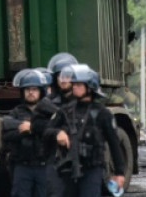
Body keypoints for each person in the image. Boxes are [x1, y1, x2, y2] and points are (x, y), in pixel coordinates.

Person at [52, 64, 126, 197]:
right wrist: (57, 133)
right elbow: (47, 132)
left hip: (92, 168)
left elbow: (114, 143)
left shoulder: (102, 113)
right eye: (74, 84)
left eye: (79, 85)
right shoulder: (65, 111)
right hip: (68, 168)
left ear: (90, 87)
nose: (74, 87)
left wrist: (119, 173)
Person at [3, 69, 60, 197]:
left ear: (41, 91)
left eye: (34, 89)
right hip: (22, 167)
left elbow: (56, 130)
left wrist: (31, 128)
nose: (31, 92)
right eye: (27, 89)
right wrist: (24, 132)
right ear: (22, 92)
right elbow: (7, 134)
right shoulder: (16, 112)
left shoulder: (48, 112)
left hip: (44, 167)